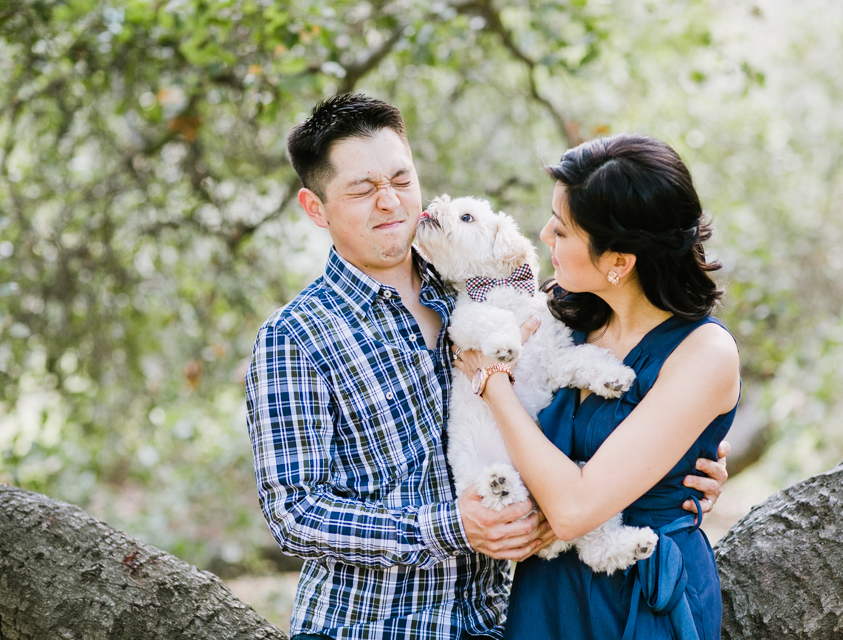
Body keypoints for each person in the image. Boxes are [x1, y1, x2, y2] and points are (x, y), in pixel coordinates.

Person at [245, 93, 731, 640]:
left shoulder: (476, 293)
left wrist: (666, 478)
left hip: (495, 621)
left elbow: (576, 421)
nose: (391, 203)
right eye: (362, 189)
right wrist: (451, 528)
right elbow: (293, 513)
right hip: (370, 626)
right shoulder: (297, 337)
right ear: (316, 207)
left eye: (401, 180)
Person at [453, 133, 740, 640]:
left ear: (618, 261)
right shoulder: (565, 320)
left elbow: (573, 509)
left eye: (562, 231)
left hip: (638, 599)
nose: (543, 236)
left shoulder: (704, 353)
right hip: (547, 593)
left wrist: (491, 381)